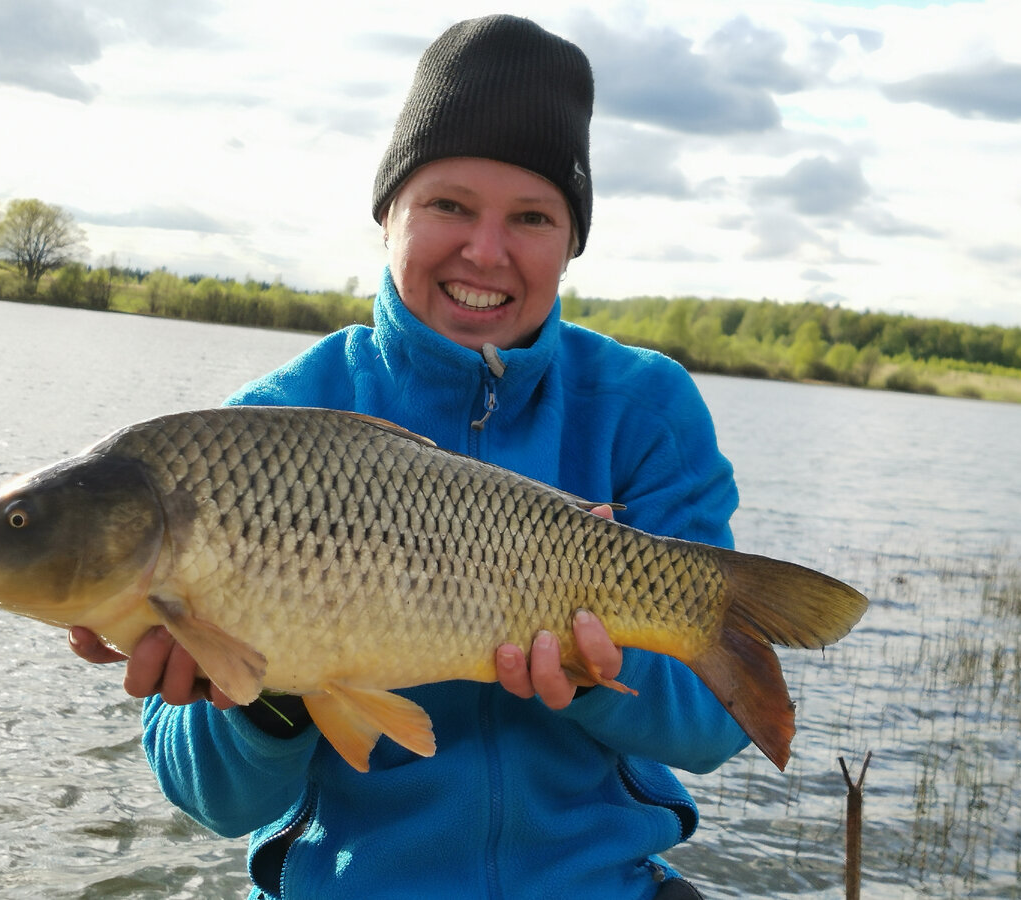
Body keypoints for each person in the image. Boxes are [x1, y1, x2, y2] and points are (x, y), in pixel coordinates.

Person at [70, 14, 748, 899]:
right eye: (449, 205)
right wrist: (269, 692)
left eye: (533, 217)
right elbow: (213, 802)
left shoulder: (644, 411)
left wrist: (592, 678)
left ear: (571, 243)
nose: (486, 252)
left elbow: (715, 727)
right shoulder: (262, 431)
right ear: (388, 212)